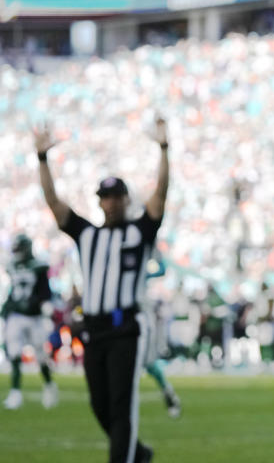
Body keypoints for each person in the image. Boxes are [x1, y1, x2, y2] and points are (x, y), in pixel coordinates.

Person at [35, 117, 169, 463]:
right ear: (99, 202)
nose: (110, 202)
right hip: (94, 329)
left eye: (115, 196)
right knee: (100, 404)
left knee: (122, 405)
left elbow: (160, 198)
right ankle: (138, 454)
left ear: (125, 199)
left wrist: (164, 149)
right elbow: (54, 203)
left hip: (125, 327)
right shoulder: (87, 234)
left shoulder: (139, 232)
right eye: (104, 197)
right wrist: (42, 159)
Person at [2, 233, 58, 410]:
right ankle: (15, 392)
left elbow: (45, 293)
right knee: (15, 353)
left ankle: (49, 386)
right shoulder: (13, 267)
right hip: (17, 316)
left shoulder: (39, 267)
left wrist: (43, 305)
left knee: (41, 356)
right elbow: (13, 291)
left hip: (34, 317)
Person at [142, 255, 182, 418]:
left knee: (149, 363)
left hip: (144, 318)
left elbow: (162, 269)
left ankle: (168, 391)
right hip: (124, 318)